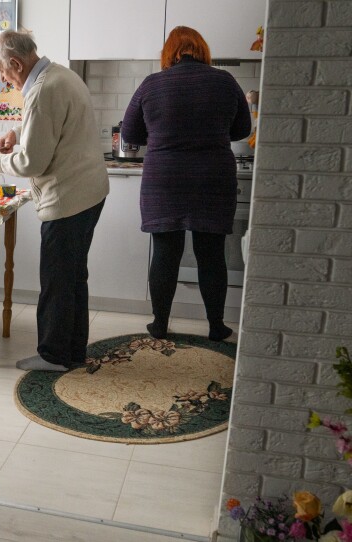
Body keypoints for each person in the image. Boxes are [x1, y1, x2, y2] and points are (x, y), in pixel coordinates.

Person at [0, 31, 109, 372]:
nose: (4, 79)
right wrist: (18, 133)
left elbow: (30, 164)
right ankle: (73, 352)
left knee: (56, 279)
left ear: (16, 64)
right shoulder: (61, 75)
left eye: (3, 73)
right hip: (89, 192)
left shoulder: (42, 90)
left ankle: (53, 356)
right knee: (73, 277)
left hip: (68, 197)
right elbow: (53, 125)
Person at [121, 26, 251, 342]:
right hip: (212, 176)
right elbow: (243, 129)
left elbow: (130, 134)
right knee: (212, 252)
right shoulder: (225, 81)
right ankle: (217, 326)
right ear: (202, 50)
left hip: (164, 177)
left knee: (165, 252)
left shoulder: (151, 84)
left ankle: (160, 324)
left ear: (169, 53)